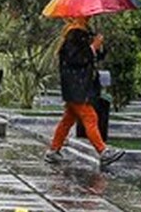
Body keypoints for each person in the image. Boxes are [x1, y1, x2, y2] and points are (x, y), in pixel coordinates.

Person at [44, 16, 125, 166]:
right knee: (90, 117)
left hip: (78, 86)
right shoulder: (73, 35)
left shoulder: (83, 33)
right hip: (76, 86)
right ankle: (103, 151)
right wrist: (93, 48)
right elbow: (76, 60)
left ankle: (53, 150)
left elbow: (92, 58)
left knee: (68, 119)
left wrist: (98, 47)